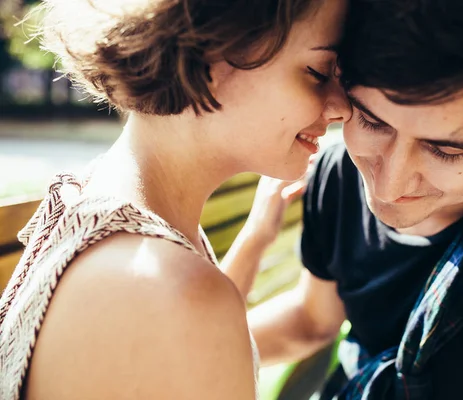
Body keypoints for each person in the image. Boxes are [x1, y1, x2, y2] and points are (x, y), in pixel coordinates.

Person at [222, 0, 463, 398]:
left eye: (447, 151)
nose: (388, 185)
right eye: (371, 121)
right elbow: (312, 321)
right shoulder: (337, 173)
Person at [0, 0, 351, 399]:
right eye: (319, 73)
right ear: (213, 53)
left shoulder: (105, 202)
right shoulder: (170, 288)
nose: (341, 106)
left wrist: (254, 240)